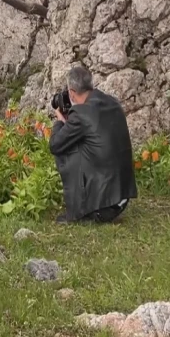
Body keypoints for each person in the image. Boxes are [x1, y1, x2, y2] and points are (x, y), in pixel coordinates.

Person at [49, 65, 138, 224]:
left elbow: (55, 145)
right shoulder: (112, 102)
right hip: (121, 199)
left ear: (72, 93)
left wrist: (59, 121)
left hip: (104, 208)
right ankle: (95, 203)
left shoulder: (81, 113)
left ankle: (81, 212)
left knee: (67, 148)